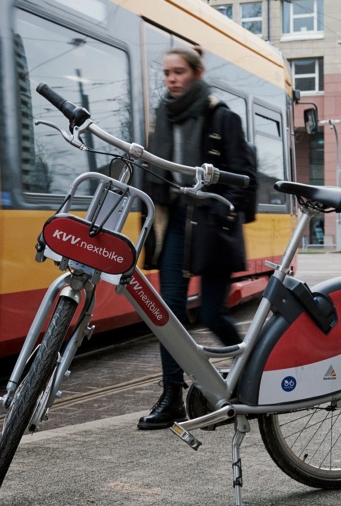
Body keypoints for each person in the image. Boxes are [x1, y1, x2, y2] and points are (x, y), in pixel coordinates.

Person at [137, 46, 257, 430]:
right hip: (175, 225)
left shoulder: (221, 117)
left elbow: (244, 175)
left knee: (210, 313)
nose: (171, 79)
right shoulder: (163, 117)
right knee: (168, 315)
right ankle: (172, 396)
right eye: (167, 72)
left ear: (197, 72)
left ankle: (248, 375)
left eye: (179, 72)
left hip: (210, 226)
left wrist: (223, 210)